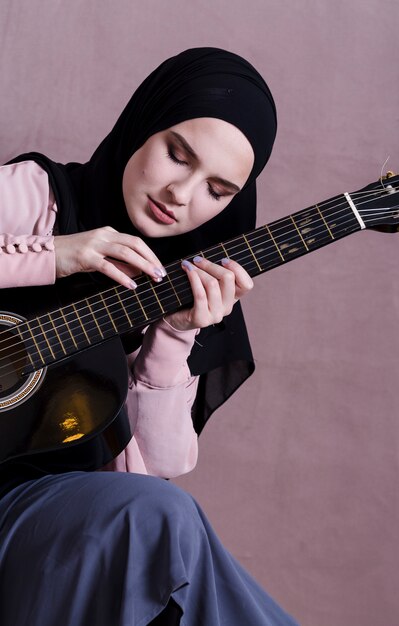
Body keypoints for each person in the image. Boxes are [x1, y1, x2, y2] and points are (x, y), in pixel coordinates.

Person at [0, 48, 299, 625]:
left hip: (29, 514)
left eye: (218, 190)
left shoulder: (185, 290)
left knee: (158, 515)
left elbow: (142, 476)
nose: (182, 195)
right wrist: (52, 255)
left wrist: (172, 338)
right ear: (145, 122)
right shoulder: (36, 195)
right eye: (177, 155)